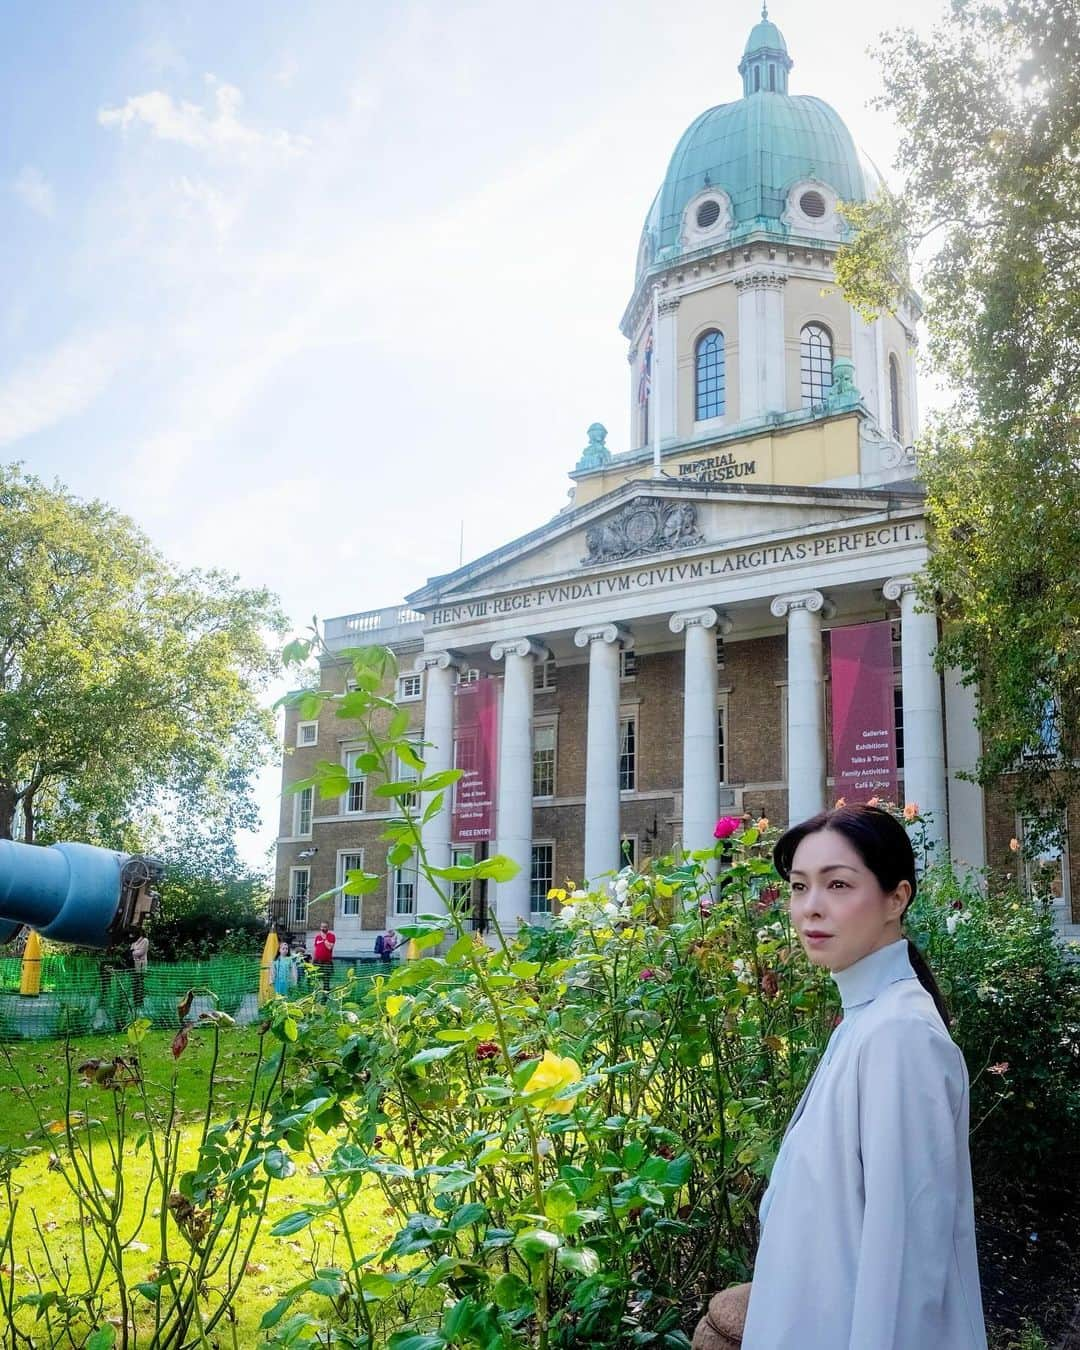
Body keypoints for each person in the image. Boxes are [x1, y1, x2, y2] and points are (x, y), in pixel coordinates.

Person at [736, 805, 987, 1349]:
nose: (810, 909)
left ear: (897, 898)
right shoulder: (867, 1019)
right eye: (800, 887)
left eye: (838, 885)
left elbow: (907, 1266)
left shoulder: (899, 1036)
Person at [312, 921, 336, 992]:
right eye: (322, 927)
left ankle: (324, 999)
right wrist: (312, 961)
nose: (323, 929)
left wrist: (324, 938)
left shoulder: (331, 936)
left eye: (325, 927)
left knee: (326, 980)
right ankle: (314, 996)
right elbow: (315, 949)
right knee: (315, 979)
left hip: (326, 962)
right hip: (317, 961)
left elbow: (329, 947)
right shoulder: (317, 937)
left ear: (328, 928)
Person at [130, 928, 149, 1007]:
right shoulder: (134, 942)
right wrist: (133, 952)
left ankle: (140, 1002)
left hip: (141, 965)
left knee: (140, 983)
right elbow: (131, 950)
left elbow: (141, 952)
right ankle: (135, 1001)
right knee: (135, 984)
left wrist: (133, 952)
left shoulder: (145, 941)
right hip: (134, 965)